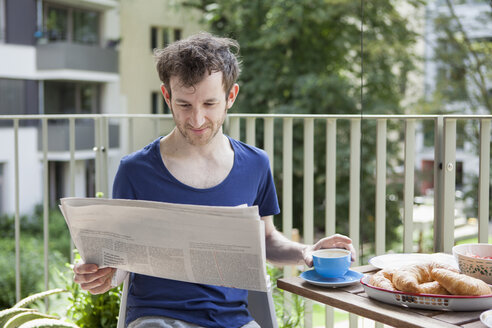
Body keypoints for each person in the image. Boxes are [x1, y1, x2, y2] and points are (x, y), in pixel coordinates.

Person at [73, 32, 356, 328]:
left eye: (209, 104)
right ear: (167, 96)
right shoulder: (135, 170)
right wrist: (102, 274)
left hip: (233, 321)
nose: (196, 120)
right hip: (158, 319)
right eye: (184, 105)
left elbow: (266, 240)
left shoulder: (256, 164)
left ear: (230, 97)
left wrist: (306, 252)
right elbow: (121, 260)